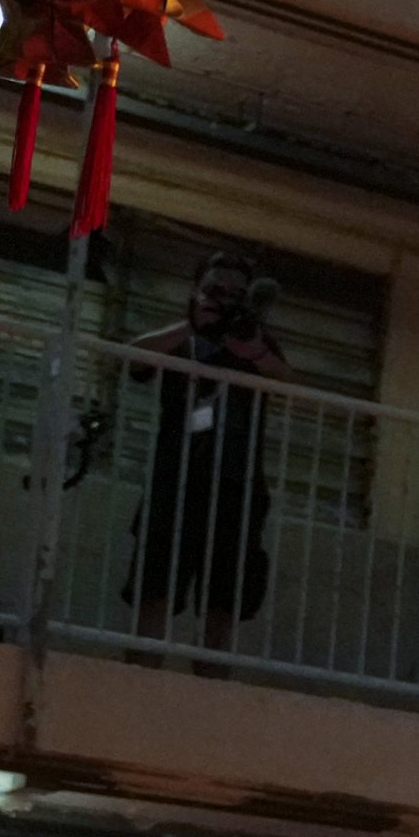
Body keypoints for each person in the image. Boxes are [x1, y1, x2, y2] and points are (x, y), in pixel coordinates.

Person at [126, 250, 290, 660]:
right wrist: (193, 325)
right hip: (175, 478)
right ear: (196, 292)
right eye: (216, 290)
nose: (225, 299)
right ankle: (141, 676)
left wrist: (252, 348)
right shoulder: (182, 338)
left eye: (236, 293)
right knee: (157, 581)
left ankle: (213, 681)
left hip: (238, 483)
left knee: (226, 594)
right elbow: (134, 359)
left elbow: (290, 386)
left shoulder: (255, 341)